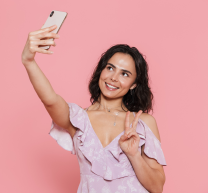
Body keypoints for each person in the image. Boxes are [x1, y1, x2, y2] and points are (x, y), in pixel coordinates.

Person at [21, 25, 167, 193]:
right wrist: (29, 61)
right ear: (101, 70)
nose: (113, 78)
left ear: (134, 84)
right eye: (110, 68)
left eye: (124, 74)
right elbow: (50, 100)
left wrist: (134, 155)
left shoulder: (142, 123)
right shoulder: (78, 119)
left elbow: (157, 188)